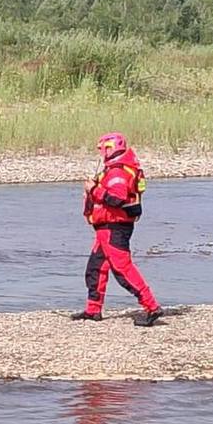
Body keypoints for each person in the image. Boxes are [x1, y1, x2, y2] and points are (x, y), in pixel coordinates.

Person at [72, 133, 163, 327]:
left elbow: (117, 199)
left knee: (123, 270)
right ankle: (93, 309)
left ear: (111, 148)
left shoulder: (118, 173)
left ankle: (152, 306)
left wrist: (93, 190)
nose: (101, 152)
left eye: (103, 148)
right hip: (105, 227)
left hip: (114, 227)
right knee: (96, 268)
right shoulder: (119, 169)